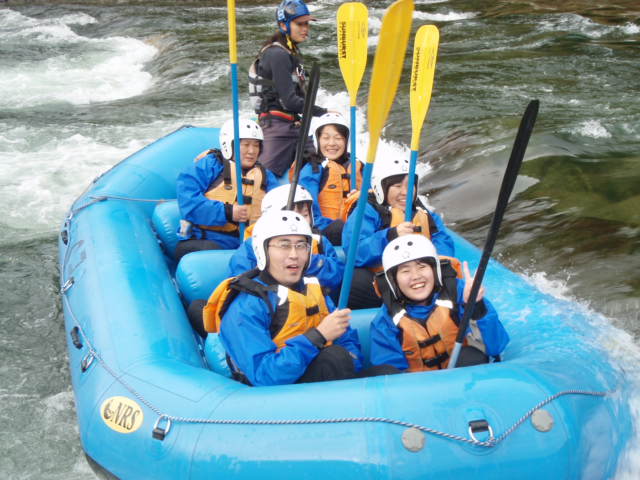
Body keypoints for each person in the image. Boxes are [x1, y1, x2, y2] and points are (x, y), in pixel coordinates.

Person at [202, 209, 398, 386]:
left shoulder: (313, 289)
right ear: (263, 250)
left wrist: (351, 360)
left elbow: (347, 341)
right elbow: (265, 376)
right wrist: (318, 337)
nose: (294, 255)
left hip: (326, 379)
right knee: (334, 358)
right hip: (279, 395)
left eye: (301, 245)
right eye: (284, 245)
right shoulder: (246, 306)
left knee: (387, 373)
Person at [370, 235, 509, 371]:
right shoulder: (386, 320)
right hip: (419, 384)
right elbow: (390, 373)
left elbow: (495, 347)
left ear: (434, 270)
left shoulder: (460, 293)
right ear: (393, 281)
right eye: (405, 271)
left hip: (464, 378)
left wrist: (476, 305)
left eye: (422, 267)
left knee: (471, 357)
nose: (416, 276)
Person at [341, 155, 454, 309]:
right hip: (385, 282)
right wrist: (390, 236)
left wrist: (435, 267)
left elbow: (442, 241)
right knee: (355, 279)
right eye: (397, 186)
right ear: (382, 188)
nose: (405, 192)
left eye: (410, 185)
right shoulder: (366, 211)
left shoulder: (424, 213)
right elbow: (354, 251)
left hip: (419, 279)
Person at [175, 118, 278, 262]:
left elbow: (279, 206)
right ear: (229, 145)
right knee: (212, 252)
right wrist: (228, 212)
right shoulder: (210, 165)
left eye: (256, 145)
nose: (252, 151)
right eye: (246, 145)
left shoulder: (266, 176)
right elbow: (188, 203)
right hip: (205, 240)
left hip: (247, 243)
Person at [249, 0, 328, 178]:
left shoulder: (291, 53)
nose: (305, 29)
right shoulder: (277, 55)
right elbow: (290, 101)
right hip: (277, 128)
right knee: (261, 178)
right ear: (284, 25)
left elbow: (299, 95)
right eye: (299, 24)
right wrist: (323, 112)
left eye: (307, 24)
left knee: (316, 172)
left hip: (295, 126)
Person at [229, 183, 344, 293]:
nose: (299, 221)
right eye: (292, 215)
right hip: (271, 302)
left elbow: (337, 275)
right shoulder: (252, 246)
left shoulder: (319, 242)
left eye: (305, 215)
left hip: (314, 302)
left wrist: (308, 260)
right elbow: (241, 282)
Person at [298, 112, 363, 245]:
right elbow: (309, 212)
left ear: (346, 141)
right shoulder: (312, 170)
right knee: (341, 228)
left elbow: (374, 201)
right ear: (317, 140)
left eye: (338, 138)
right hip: (324, 230)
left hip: (356, 229)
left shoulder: (358, 166)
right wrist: (343, 228)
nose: (332, 143)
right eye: (326, 138)